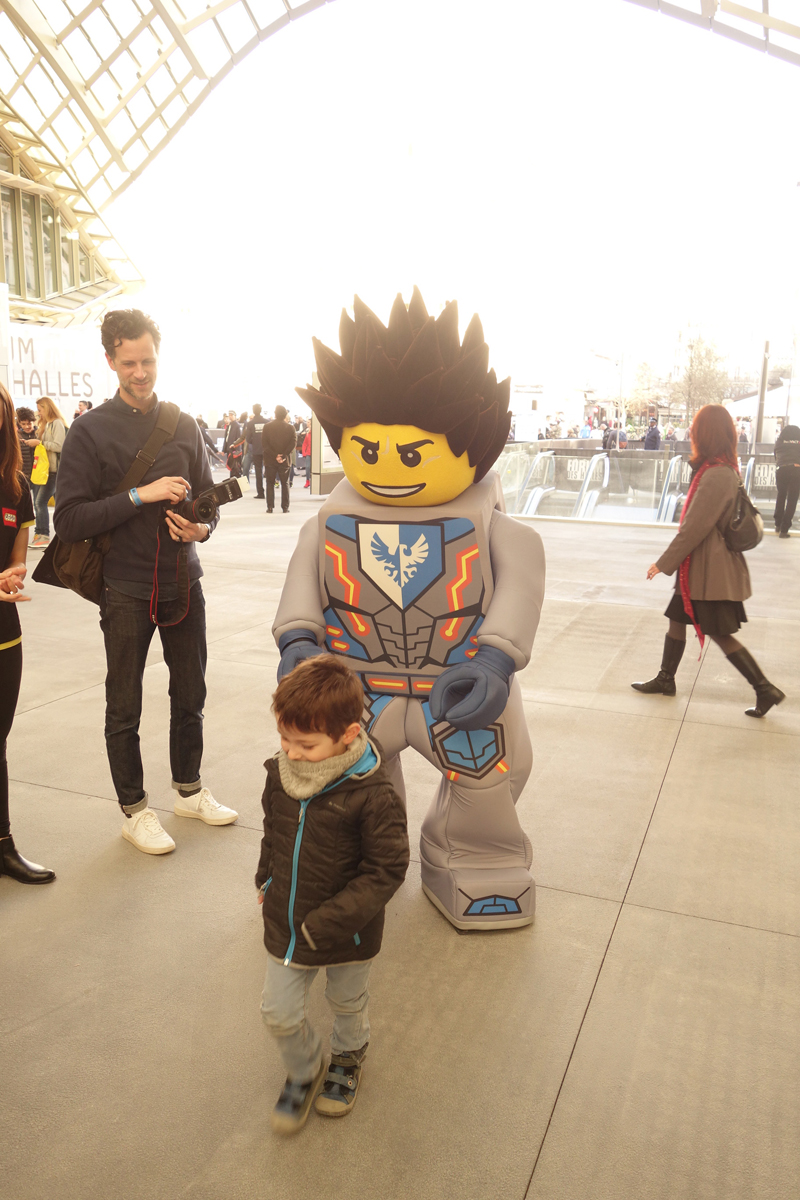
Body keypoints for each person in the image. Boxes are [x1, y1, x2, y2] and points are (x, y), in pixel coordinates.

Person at [54, 308, 238, 854]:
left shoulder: (182, 422)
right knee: (124, 703)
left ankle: (189, 789)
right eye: (129, 362)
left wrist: (200, 527)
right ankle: (134, 809)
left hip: (185, 580)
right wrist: (142, 494)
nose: (141, 372)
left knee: (191, 694)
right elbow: (68, 520)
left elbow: (209, 499)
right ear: (110, 360)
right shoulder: (90, 430)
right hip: (126, 588)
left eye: (149, 361)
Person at [257, 655, 409, 1134]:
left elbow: (387, 868)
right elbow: (273, 833)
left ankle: (347, 1056)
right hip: (287, 920)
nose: (291, 752)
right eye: (285, 738)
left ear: (347, 734)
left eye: (305, 744)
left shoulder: (372, 792)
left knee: (347, 1001)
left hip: (348, 932)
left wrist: (328, 922)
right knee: (278, 1012)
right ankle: (304, 1068)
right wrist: (265, 879)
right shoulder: (280, 775)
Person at [632, 404, 785, 718]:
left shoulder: (716, 474)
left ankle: (764, 688)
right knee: (677, 616)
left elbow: (695, 526)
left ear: (706, 433)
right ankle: (666, 678)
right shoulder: (716, 469)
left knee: (720, 632)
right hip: (698, 568)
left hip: (709, 572)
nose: (691, 432)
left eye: (696, 428)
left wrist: (663, 562)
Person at [0, 383, 55, 884]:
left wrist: (15, 572)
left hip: (4, 636)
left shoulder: (14, 485)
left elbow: (19, 551)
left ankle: (2, 845)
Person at [27, 397, 66, 548]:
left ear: (47, 408)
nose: (39, 413)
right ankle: (60, 536)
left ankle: (43, 535)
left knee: (39, 502)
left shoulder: (56, 423)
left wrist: (40, 443)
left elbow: (59, 446)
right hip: (48, 469)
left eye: (40, 409)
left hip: (54, 470)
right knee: (61, 504)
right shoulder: (48, 424)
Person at [262, 405, 297, 513]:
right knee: (285, 483)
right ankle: (285, 507)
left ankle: (270, 507)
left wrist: (274, 456)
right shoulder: (291, 428)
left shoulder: (267, 427)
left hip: (270, 460)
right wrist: (283, 455)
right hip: (285, 460)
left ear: (275, 414)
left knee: (270, 483)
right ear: (285, 415)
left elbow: (265, 444)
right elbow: (293, 443)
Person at [773, 423, 800, 538]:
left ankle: (777, 524)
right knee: (792, 499)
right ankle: (784, 530)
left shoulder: (779, 443)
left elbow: (776, 456)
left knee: (781, 495)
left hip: (781, 469)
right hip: (796, 470)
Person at [243, 403, 267, 498]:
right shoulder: (267, 422)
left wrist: (256, 441)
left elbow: (248, 439)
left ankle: (260, 492)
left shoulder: (250, 423)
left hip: (256, 450)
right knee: (269, 470)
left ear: (253, 411)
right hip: (266, 450)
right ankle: (270, 491)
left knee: (258, 471)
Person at [223, 411, 243, 478]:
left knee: (236, 468)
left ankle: (236, 481)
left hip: (235, 450)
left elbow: (239, 438)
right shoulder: (229, 426)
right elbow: (226, 438)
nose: (230, 416)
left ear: (235, 416)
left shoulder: (237, 426)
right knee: (231, 466)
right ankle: (232, 480)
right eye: (229, 415)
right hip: (229, 449)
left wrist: (237, 450)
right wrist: (224, 449)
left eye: (232, 415)